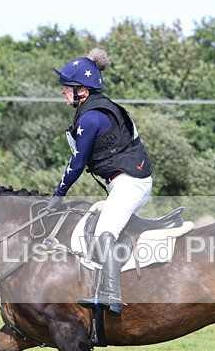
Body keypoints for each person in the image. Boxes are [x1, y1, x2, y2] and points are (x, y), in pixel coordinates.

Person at [45, 48, 153, 315]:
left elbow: (77, 164)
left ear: (82, 90)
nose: (62, 92)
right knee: (105, 230)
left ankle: (112, 295)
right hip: (125, 181)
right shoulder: (94, 109)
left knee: (105, 230)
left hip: (130, 182)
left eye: (66, 87)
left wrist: (57, 195)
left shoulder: (92, 116)